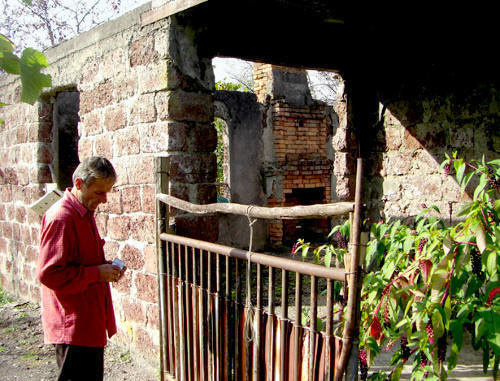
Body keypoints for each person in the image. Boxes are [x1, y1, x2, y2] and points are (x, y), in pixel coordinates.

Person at [37, 156, 126, 381]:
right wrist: (97, 273)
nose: (104, 200)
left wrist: (105, 269)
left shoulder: (84, 213)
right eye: (99, 193)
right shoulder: (61, 218)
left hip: (88, 323)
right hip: (73, 328)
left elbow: (80, 260)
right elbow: (49, 273)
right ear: (79, 184)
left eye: (107, 192)